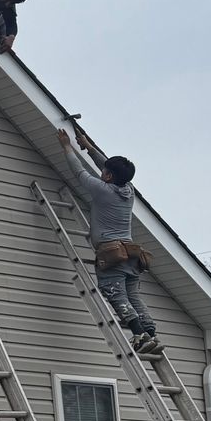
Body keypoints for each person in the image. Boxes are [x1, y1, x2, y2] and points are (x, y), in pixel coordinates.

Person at [57, 127, 159, 356]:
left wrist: (67, 146)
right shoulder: (128, 190)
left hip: (111, 253)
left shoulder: (103, 190)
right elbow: (108, 165)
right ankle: (151, 333)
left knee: (114, 292)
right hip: (131, 255)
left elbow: (79, 172)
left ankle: (139, 335)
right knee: (133, 296)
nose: (101, 171)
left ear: (108, 176)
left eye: (105, 170)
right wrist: (88, 146)